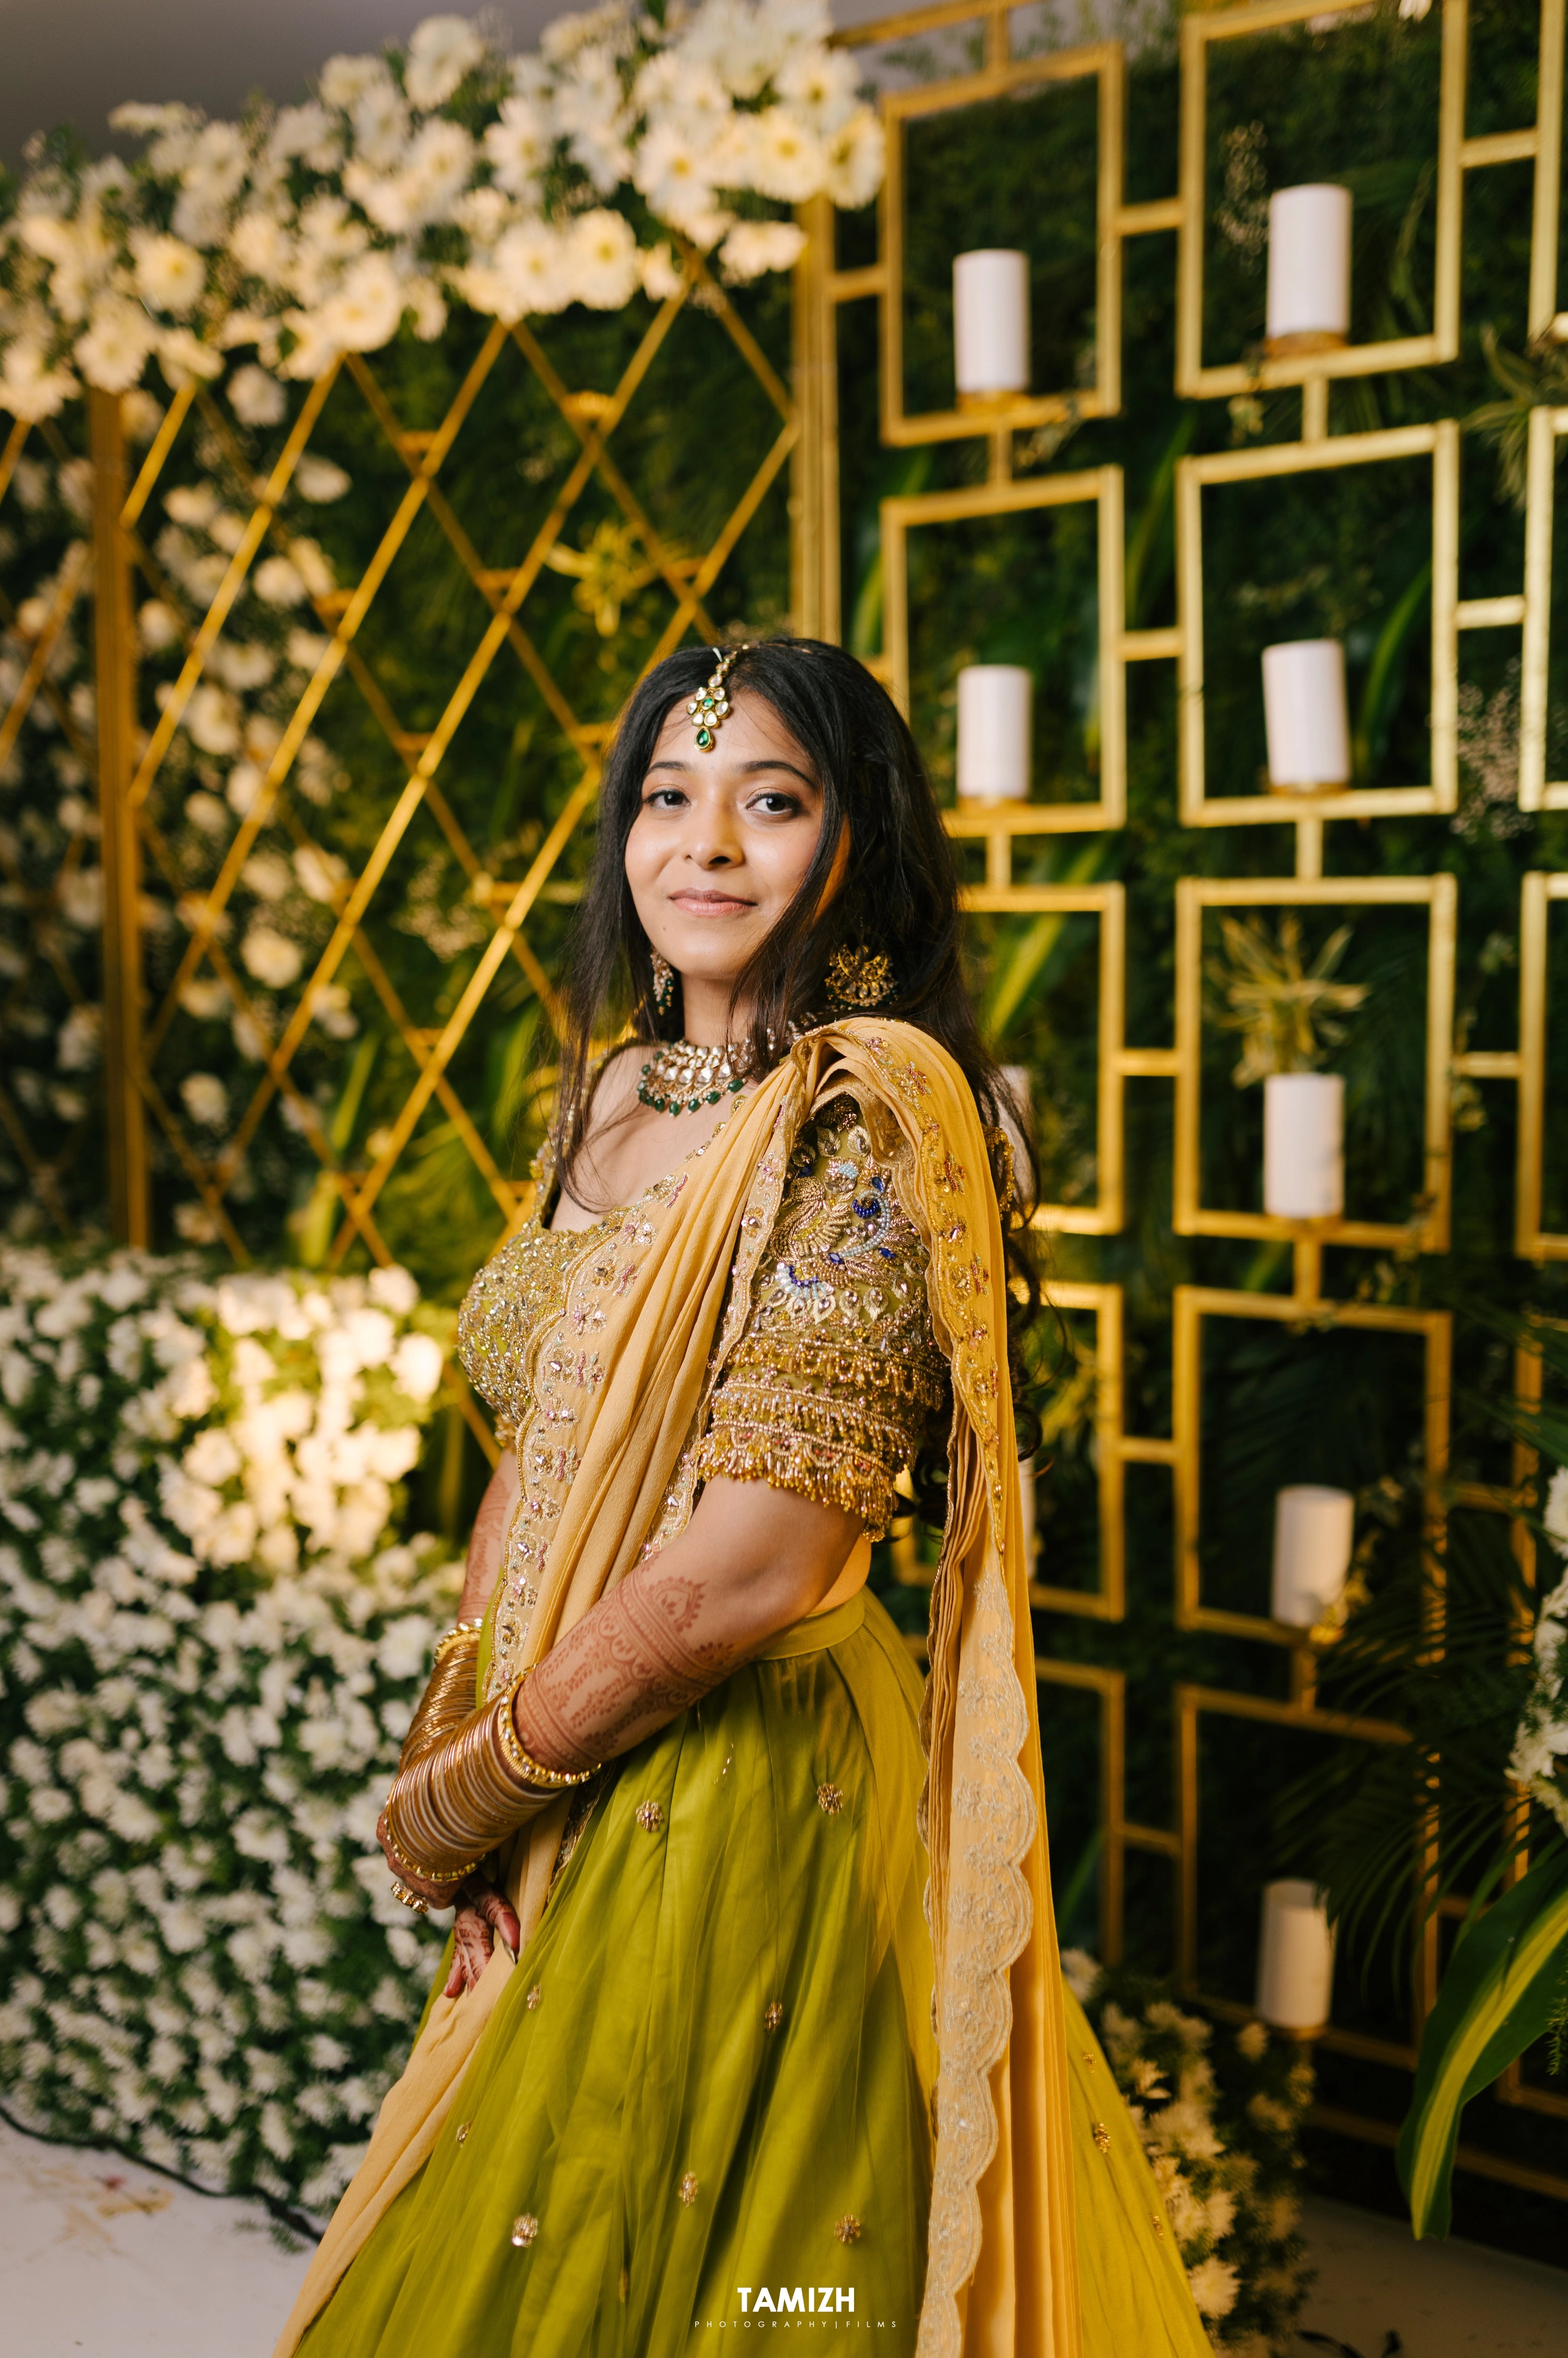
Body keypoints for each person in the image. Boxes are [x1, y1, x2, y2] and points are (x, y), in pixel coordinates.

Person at [274, 640, 1209, 2358]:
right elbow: (538, 1436)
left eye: (769, 801)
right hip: (567, 1735)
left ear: (860, 838)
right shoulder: (618, 1085)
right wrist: (468, 1740)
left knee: (764, 2279)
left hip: (749, 1783)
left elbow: (754, 1570)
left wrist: (463, 1799)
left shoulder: (878, 1119)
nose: (703, 845)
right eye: (666, 797)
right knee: (543, 2220)